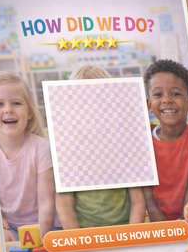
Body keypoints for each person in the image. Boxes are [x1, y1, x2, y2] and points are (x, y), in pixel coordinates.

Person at [57, 66, 148, 229]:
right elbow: (64, 204)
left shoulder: (125, 144)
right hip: (86, 234)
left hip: (125, 230)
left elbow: (138, 200)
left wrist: (131, 236)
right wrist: (79, 242)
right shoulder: (68, 149)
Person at [0, 71, 56, 240]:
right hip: (8, 227)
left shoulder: (41, 148)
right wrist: (2, 227)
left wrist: (41, 238)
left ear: (30, 112)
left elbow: (46, 203)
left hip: (45, 226)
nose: (8, 110)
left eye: (16, 103)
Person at [142, 58, 188, 223]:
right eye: (158, 94)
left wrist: (182, 224)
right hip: (154, 217)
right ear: (149, 105)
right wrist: (155, 214)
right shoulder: (143, 137)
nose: (167, 100)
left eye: (175, 93)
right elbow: (145, 191)